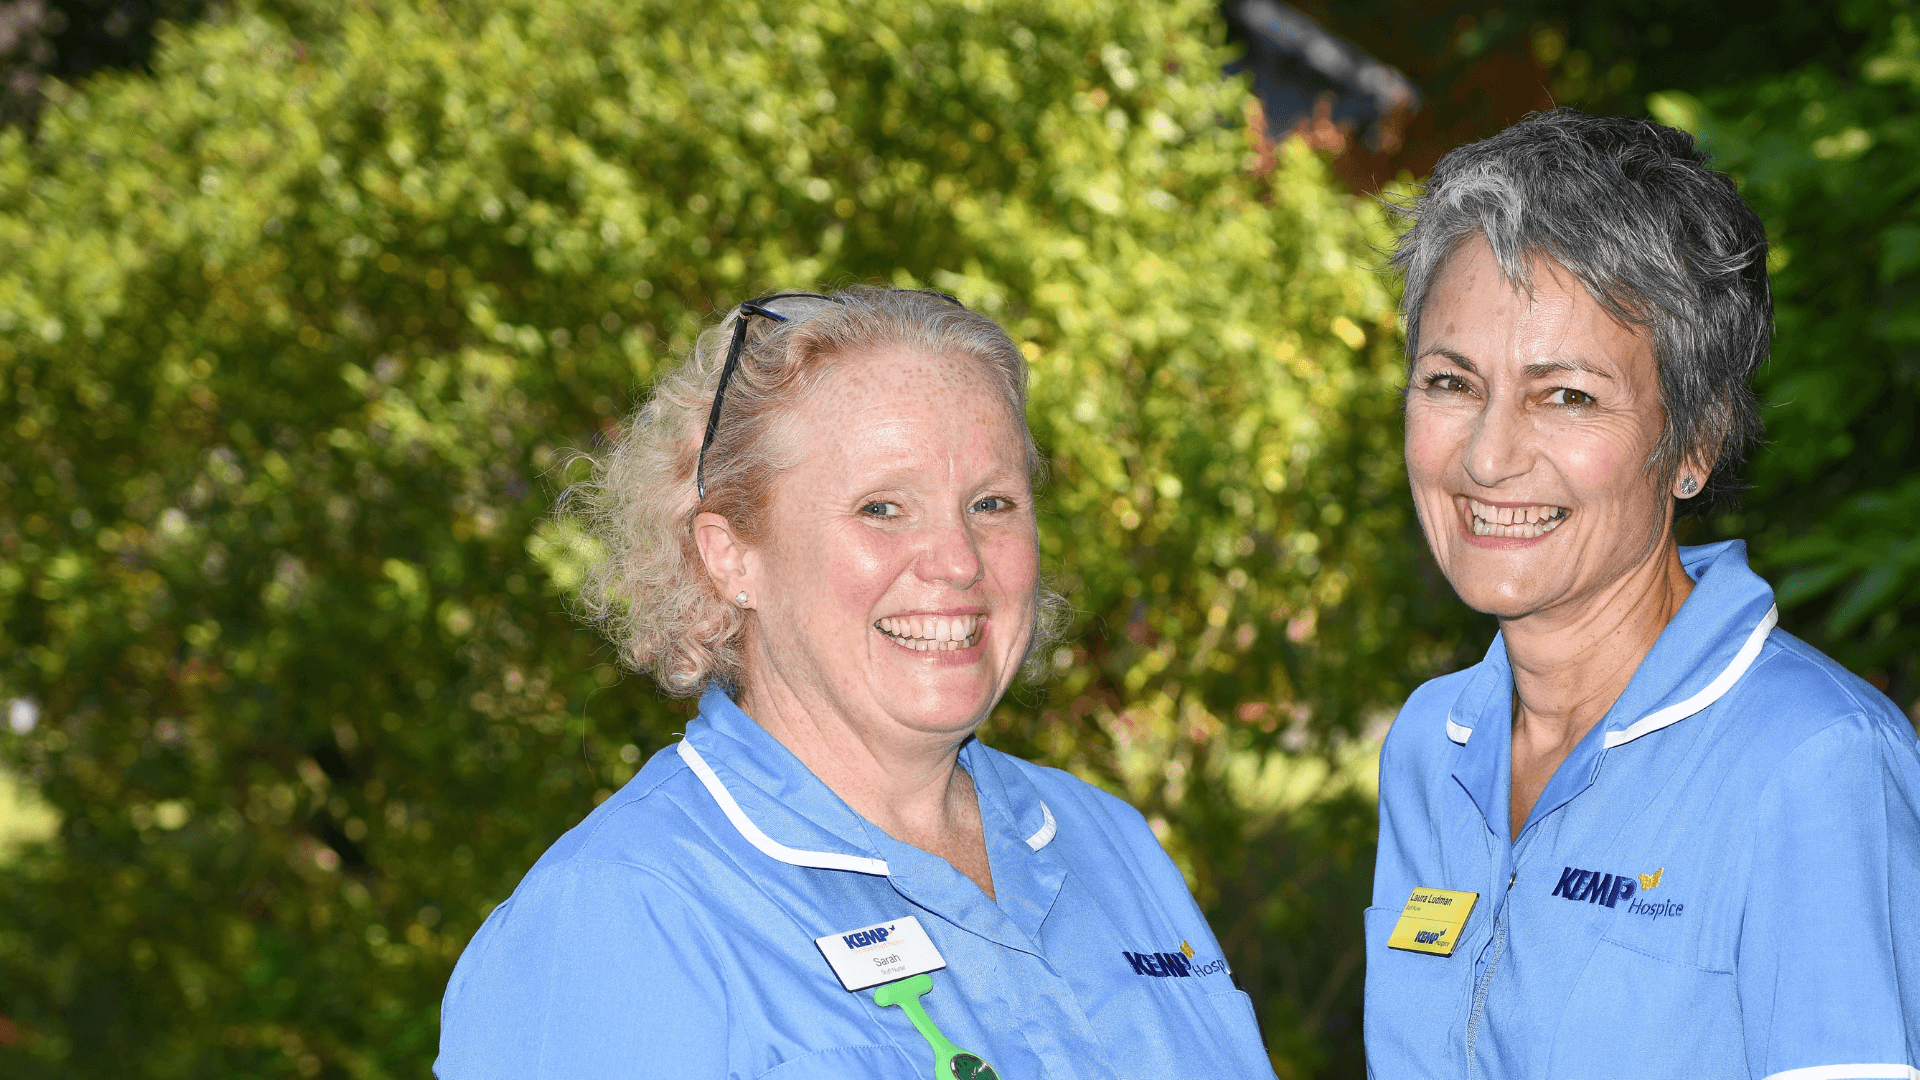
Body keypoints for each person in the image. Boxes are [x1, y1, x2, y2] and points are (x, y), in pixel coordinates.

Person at [435, 286, 1275, 1080]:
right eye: (882, 508)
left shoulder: (1107, 844)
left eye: (991, 504)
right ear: (732, 556)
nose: (956, 561)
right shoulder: (618, 919)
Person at [1365, 109, 1920, 1078]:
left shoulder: (1816, 763)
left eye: (1566, 395)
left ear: (1694, 443)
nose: (1489, 456)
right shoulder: (1429, 744)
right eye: (1451, 382)